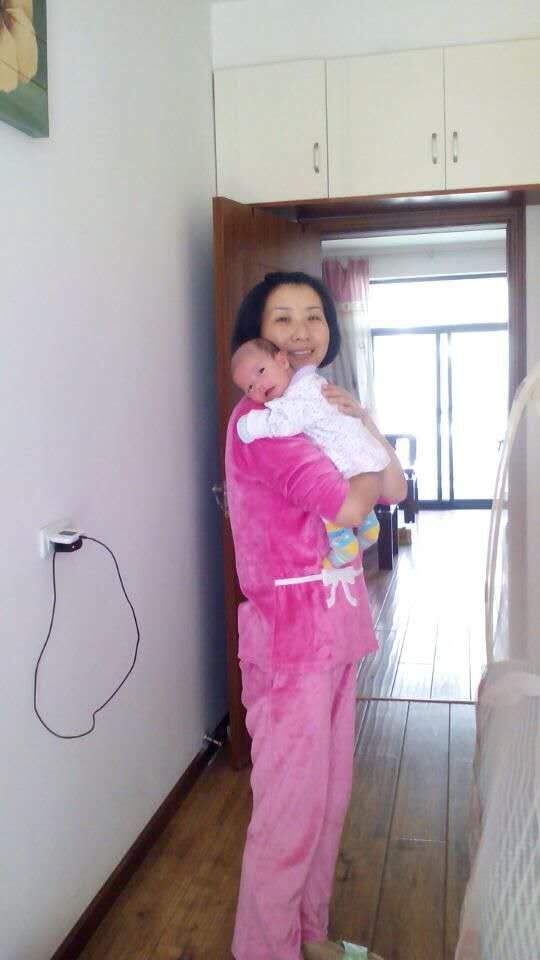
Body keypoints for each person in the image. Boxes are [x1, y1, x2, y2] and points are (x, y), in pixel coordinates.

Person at [225, 271, 406, 960]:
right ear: (258, 336)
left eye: (314, 316)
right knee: (289, 815)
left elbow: (393, 486)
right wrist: (356, 450)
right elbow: (351, 504)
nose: (301, 332)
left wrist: (361, 420)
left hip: (335, 632)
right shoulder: (264, 423)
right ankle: (264, 950)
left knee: (326, 803)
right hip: (289, 642)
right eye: (283, 318)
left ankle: (310, 935)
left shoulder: (318, 405)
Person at [231, 336, 389, 565]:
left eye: (261, 371)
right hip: (361, 454)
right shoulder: (309, 382)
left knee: (327, 498)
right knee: (344, 487)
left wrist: (251, 425)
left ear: (282, 360)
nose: (259, 385)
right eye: (250, 387)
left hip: (350, 457)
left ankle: (342, 541)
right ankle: (370, 524)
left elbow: (284, 423)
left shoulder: (299, 394)